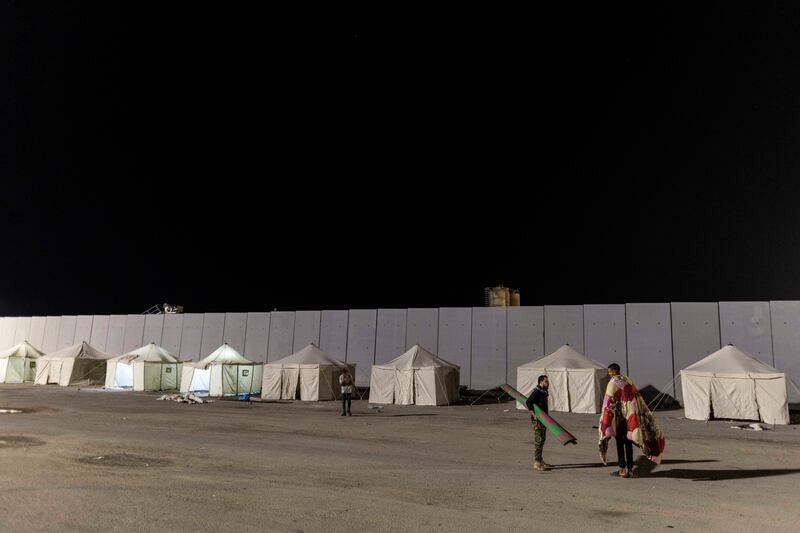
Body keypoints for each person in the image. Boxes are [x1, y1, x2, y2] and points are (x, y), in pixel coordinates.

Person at [598, 363, 666, 478]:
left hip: (619, 420)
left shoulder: (612, 383)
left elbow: (608, 404)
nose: (609, 374)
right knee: (628, 444)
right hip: (630, 420)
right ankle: (630, 470)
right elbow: (637, 398)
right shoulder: (628, 380)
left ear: (614, 371)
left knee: (620, 444)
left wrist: (605, 422)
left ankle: (622, 470)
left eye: (610, 372)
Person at [525, 375, 552, 471]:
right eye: (546, 382)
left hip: (543, 419)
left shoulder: (543, 392)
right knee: (538, 441)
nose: (548, 383)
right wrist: (534, 414)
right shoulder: (537, 392)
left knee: (542, 440)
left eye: (548, 382)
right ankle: (537, 463)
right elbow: (528, 402)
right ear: (541, 382)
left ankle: (540, 460)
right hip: (538, 421)